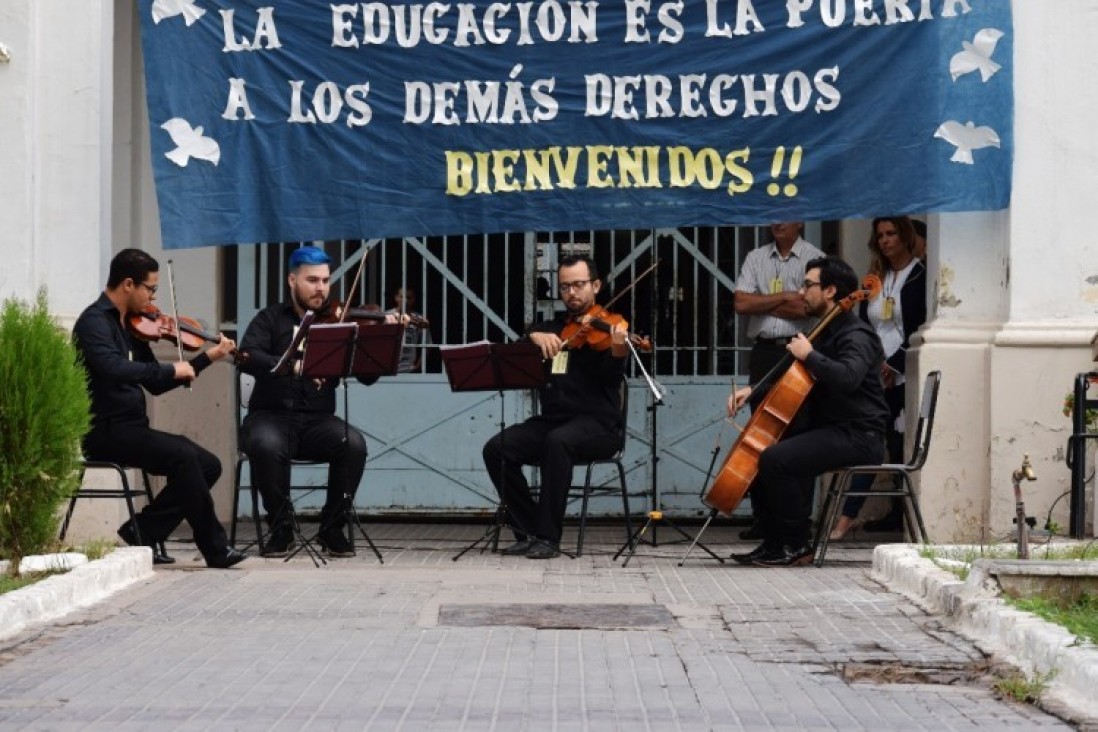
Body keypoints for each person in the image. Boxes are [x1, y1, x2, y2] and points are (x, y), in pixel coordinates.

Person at [72, 248, 246, 569]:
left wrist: (208, 357)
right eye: (150, 288)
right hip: (104, 431)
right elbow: (112, 368)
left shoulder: (132, 327)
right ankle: (216, 549)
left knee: (208, 464)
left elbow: (156, 383)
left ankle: (142, 531)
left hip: (133, 429)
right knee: (183, 457)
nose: (153, 297)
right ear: (128, 284)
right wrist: (170, 370)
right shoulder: (92, 324)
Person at [238, 246, 405, 558]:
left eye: (326, 281)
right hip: (270, 416)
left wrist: (386, 336)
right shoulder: (270, 319)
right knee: (265, 445)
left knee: (352, 443)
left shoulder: (340, 324)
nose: (321, 288)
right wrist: (293, 364)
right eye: (312, 280)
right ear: (292, 280)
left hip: (317, 420)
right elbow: (247, 357)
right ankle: (281, 527)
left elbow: (367, 377)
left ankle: (332, 528)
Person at [727, 256, 890, 566]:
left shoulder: (856, 335)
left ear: (830, 291)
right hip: (834, 429)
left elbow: (848, 377)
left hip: (859, 435)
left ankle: (796, 544)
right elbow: (793, 377)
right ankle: (775, 541)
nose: (800, 292)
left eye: (807, 285)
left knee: (776, 459)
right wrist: (753, 391)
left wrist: (811, 355)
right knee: (766, 449)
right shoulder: (826, 331)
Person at [482, 254, 628, 559]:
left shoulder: (610, 329)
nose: (571, 293)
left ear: (596, 285)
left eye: (578, 285)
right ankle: (528, 529)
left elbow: (610, 377)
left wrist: (617, 351)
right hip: (554, 421)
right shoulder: (553, 327)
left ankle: (548, 538)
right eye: (564, 287)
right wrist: (533, 336)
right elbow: (520, 346)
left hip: (599, 425)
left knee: (557, 442)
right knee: (497, 448)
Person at [830, 216, 928, 539]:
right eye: (881, 235)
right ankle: (846, 519)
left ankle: (900, 518)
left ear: (905, 237)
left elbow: (916, 325)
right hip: (873, 374)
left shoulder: (918, 276)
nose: (886, 240)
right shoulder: (873, 280)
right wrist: (872, 363)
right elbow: (863, 326)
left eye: (891, 234)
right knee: (869, 443)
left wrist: (894, 365)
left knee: (899, 446)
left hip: (901, 376)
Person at [733, 221, 825, 539]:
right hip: (764, 353)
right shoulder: (755, 257)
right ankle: (764, 517)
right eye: (773, 215)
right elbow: (741, 303)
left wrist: (766, 301)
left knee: (799, 434)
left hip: (799, 351)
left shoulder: (815, 258)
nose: (778, 222)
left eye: (786, 215)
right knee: (760, 435)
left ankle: (798, 519)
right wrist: (786, 297)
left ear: (801, 221)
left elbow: (810, 308)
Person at [386, 287, 430, 373]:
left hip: (409, 368)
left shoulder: (419, 319)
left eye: (409, 298)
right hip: (388, 367)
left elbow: (427, 345)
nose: (405, 300)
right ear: (396, 298)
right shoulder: (386, 316)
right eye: (402, 297)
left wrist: (417, 366)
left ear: (413, 299)